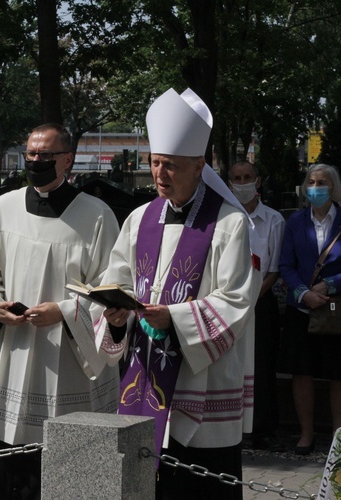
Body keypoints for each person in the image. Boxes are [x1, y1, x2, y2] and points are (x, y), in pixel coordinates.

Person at [94, 88, 260, 499]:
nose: (160, 174)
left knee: (202, 486)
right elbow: (120, 282)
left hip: (201, 382)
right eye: (155, 163)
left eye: (171, 166)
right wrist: (117, 316)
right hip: (146, 376)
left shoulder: (229, 223)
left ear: (200, 165)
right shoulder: (138, 218)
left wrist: (175, 317)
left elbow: (237, 300)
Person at [0, 123, 120, 499]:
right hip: (12, 357)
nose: (35, 161)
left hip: (69, 364)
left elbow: (112, 292)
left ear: (67, 160)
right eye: (31, 154)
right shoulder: (4, 207)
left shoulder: (96, 216)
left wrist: (64, 312)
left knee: (70, 471)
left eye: (45, 155)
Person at [279, 163, 341, 455]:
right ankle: (306, 435)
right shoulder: (296, 222)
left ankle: (337, 439)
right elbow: (285, 265)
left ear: (334, 187)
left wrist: (330, 284)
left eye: (323, 182)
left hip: (334, 310)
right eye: (312, 181)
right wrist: (302, 292)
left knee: (336, 375)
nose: (317, 187)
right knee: (301, 373)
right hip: (300, 309)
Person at [228, 160, 286, 451]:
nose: (242, 183)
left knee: (261, 366)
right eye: (236, 178)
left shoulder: (274, 220)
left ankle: (262, 428)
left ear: (258, 181)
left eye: (247, 177)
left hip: (260, 303)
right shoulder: (223, 218)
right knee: (232, 365)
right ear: (229, 184)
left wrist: (252, 298)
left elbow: (274, 269)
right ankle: (232, 425)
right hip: (228, 304)